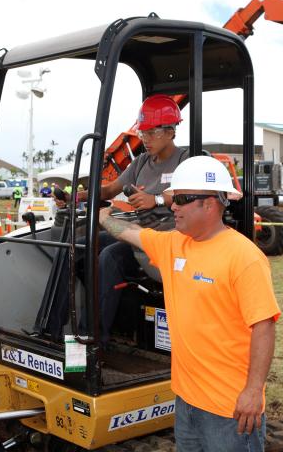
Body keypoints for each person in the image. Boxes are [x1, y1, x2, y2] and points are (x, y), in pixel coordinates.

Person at [99, 155, 281, 452]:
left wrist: (252, 392)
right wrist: (104, 217)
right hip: (186, 403)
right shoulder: (174, 244)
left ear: (209, 203)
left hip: (229, 409)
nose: (172, 207)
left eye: (181, 199)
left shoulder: (244, 257)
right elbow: (132, 234)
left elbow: (263, 326)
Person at [56, 94, 188, 343]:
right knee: (74, 247)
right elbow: (109, 190)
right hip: (137, 233)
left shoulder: (187, 159)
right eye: (142, 132)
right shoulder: (140, 163)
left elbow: (192, 192)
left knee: (109, 256)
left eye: (151, 133)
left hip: (166, 240)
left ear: (170, 132)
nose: (144, 139)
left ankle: (93, 340)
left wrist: (156, 199)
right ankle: (56, 329)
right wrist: (77, 196)